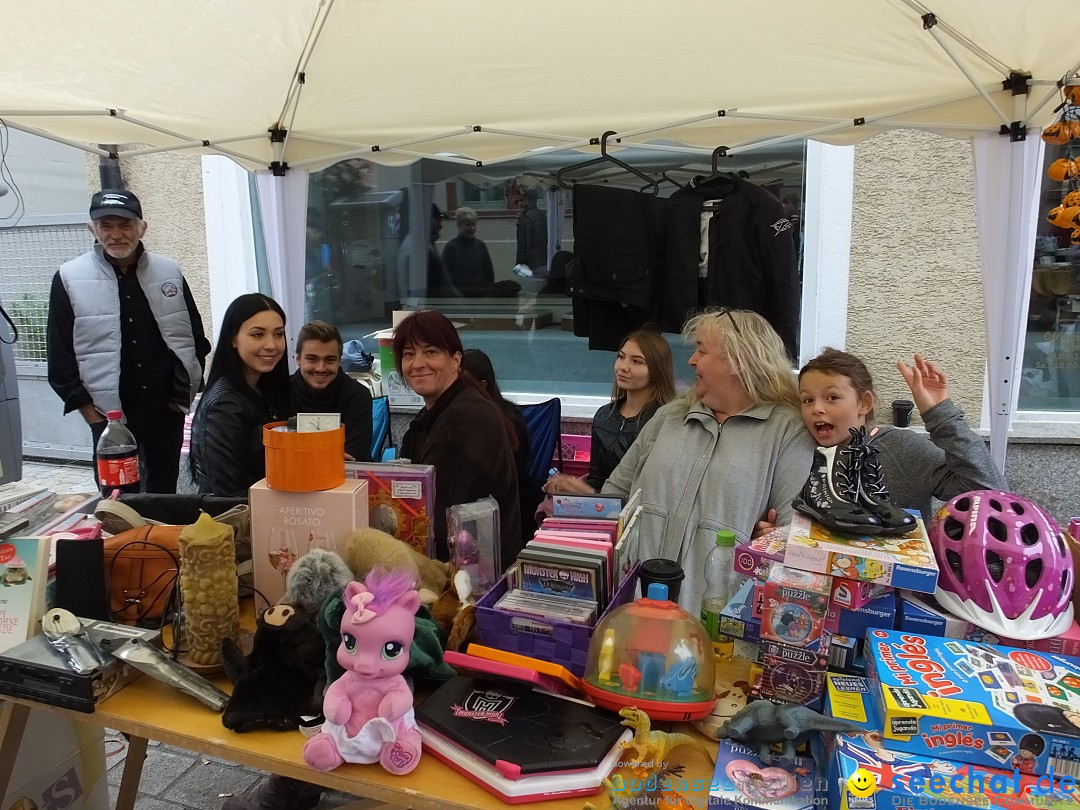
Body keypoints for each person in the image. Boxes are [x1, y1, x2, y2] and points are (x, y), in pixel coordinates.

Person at [601, 308, 815, 612]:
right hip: (632, 610)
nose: (691, 361)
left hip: (717, 624)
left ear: (738, 361)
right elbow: (613, 498)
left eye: (701, 350)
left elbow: (793, 538)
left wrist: (767, 542)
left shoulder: (787, 430)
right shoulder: (670, 416)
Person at [47, 189, 211, 493]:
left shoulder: (169, 272)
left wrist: (182, 395)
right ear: (92, 229)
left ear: (142, 227)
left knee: (163, 495)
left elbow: (196, 340)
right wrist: (92, 416)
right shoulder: (69, 278)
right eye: (106, 225)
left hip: (166, 411)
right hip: (110, 417)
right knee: (118, 499)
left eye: (125, 225)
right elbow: (60, 357)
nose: (116, 235)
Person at [794, 348, 1005, 523]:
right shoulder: (797, 450)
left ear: (864, 403)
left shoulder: (901, 447)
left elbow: (991, 496)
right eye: (807, 400)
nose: (817, 408)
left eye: (832, 397)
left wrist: (942, 416)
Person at [395, 311, 522, 564]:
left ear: (455, 360)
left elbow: (434, 518)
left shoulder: (463, 419)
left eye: (430, 352)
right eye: (409, 354)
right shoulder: (444, 408)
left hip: (471, 578)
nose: (418, 363)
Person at [547, 328, 676, 494]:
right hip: (602, 511)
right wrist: (572, 489)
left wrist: (591, 495)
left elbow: (655, 491)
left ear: (657, 370)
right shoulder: (604, 416)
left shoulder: (664, 420)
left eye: (636, 361)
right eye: (621, 357)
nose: (623, 367)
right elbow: (597, 481)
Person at [189, 293, 292, 497]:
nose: (272, 345)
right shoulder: (223, 406)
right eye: (257, 334)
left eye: (278, 334)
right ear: (233, 339)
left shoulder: (267, 387)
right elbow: (230, 495)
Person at [461, 348, 539, 540]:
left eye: (462, 385)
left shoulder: (506, 420)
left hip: (510, 515)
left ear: (483, 385)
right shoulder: (455, 417)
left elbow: (494, 483)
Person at [290, 320, 373, 462]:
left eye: (329, 360)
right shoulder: (280, 391)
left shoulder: (358, 396)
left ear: (339, 360)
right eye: (312, 359)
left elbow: (351, 459)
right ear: (298, 359)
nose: (321, 368)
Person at [441, 207, 494, 297]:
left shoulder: (480, 245)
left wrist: (487, 291)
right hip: (459, 296)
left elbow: (489, 272)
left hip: (481, 295)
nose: (472, 228)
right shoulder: (451, 247)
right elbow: (445, 276)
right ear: (459, 225)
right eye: (468, 225)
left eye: (474, 224)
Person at [513, 187, 548, 278]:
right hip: (545, 261)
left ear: (527, 200)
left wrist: (519, 267)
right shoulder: (543, 215)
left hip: (531, 266)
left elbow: (522, 247)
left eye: (521, 200)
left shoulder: (525, 218)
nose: (520, 204)